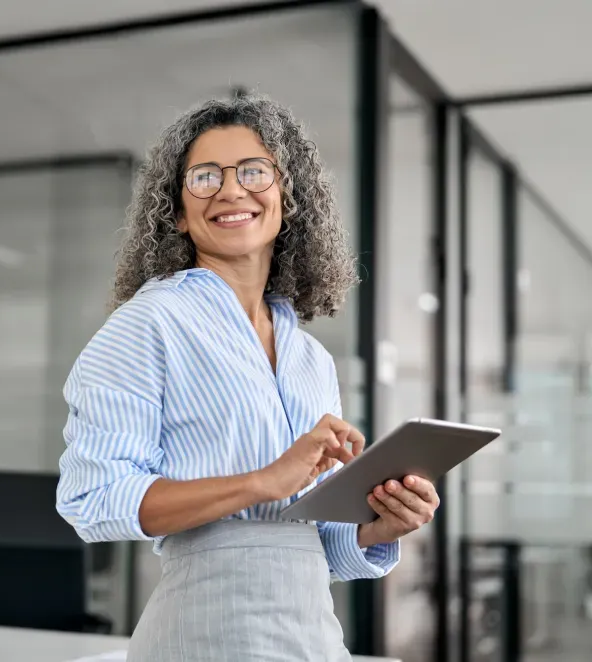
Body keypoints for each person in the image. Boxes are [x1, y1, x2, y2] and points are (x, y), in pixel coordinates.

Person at [54, 94, 440, 661]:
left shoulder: (310, 358)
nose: (231, 191)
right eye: (204, 178)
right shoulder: (149, 323)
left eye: (254, 172)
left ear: (288, 196)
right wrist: (262, 481)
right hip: (206, 632)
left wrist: (376, 527)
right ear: (178, 212)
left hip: (311, 639)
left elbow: (303, 540)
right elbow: (93, 498)